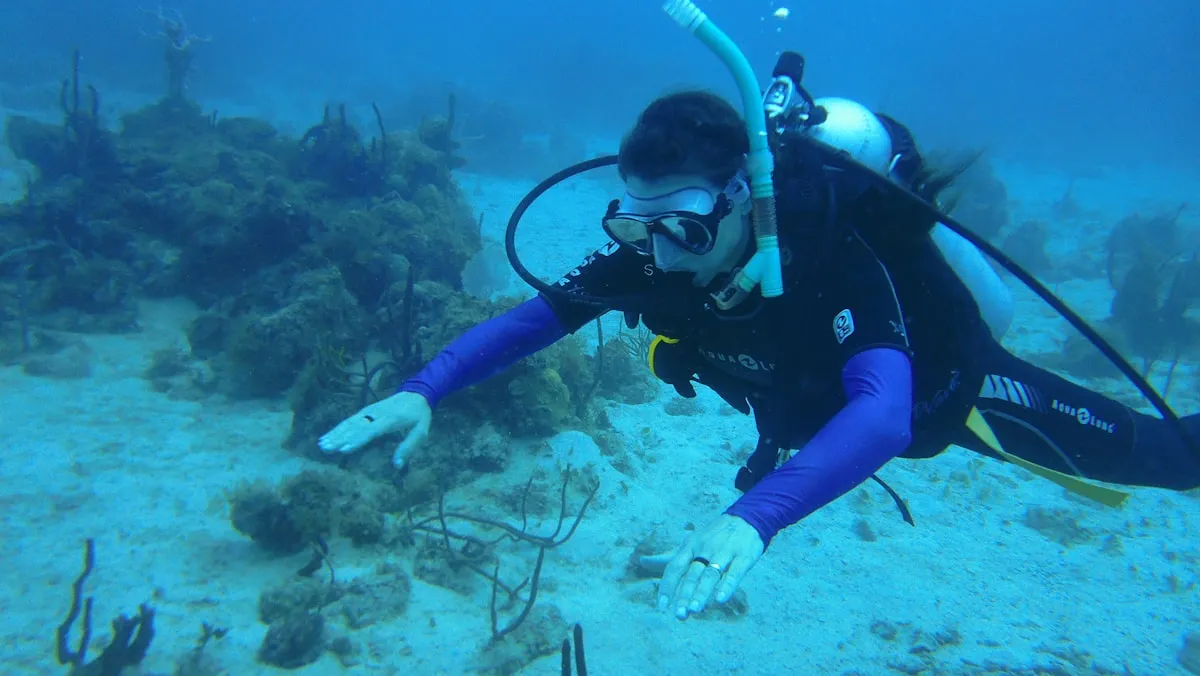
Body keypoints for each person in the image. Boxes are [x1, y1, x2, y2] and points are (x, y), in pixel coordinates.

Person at [319, 89, 1200, 622]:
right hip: (801, 418)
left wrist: (755, 517)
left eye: (685, 224)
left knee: (1170, 458)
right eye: (637, 223)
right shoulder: (654, 251)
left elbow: (887, 413)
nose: (658, 252)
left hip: (951, 400)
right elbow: (535, 320)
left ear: (744, 198)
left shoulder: (830, 254)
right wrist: (425, 388)